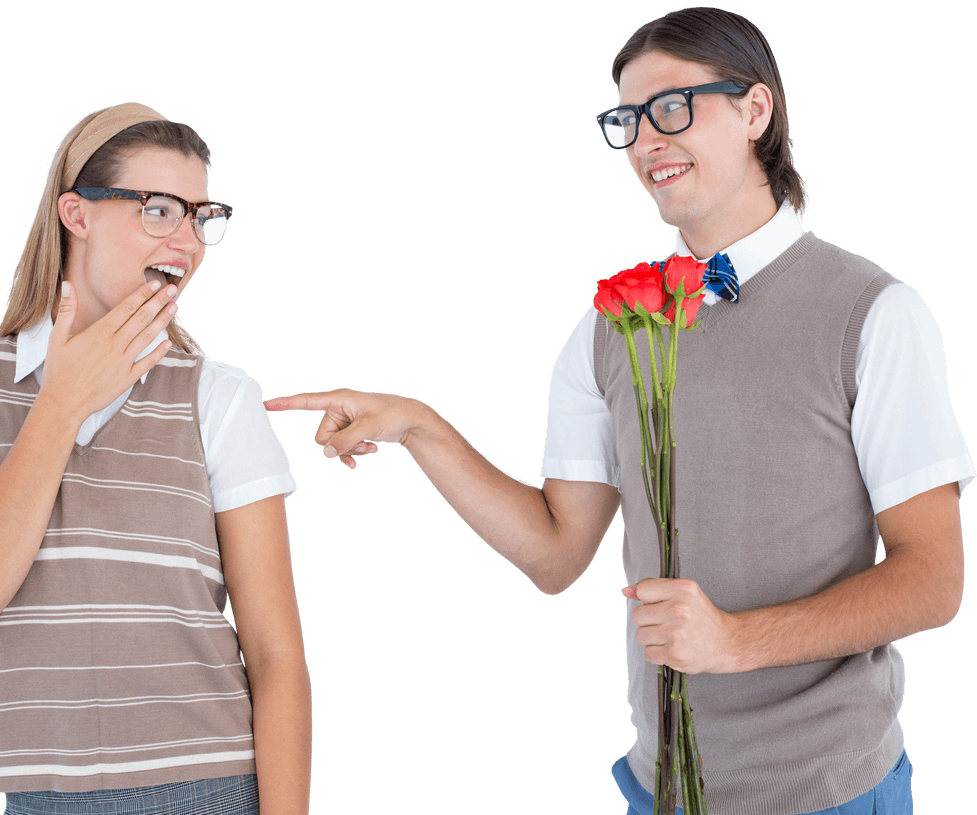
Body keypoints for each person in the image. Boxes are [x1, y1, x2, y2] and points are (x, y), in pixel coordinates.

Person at [264, 7, 971, 815]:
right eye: (627, 121)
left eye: (672, 107)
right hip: (658, 789)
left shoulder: (875, 312)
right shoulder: (610, 326)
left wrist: (736, 641)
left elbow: (933, 579)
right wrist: (423, 427)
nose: (646, 140)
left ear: (755, 111)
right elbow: (557, 554)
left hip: (829, 792)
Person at [0, 102, 314, 815]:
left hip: (206, 790)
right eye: (158, 209)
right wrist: (59, 405)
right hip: (35, 800)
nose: (187, 238)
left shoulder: (218, 397)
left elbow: (276, 657)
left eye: (200, 214)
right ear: (76, 213)